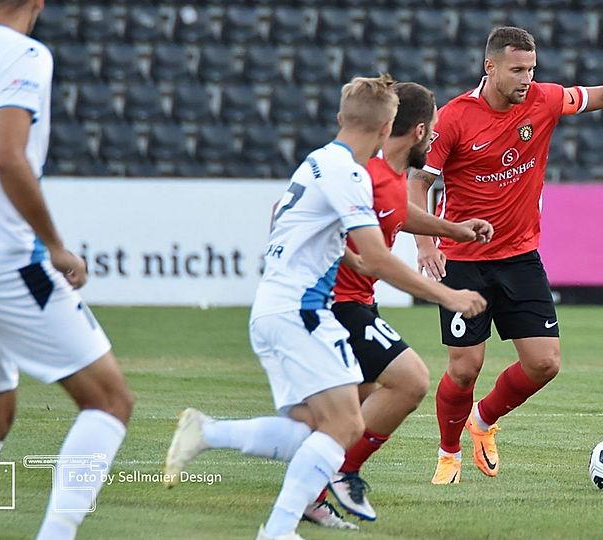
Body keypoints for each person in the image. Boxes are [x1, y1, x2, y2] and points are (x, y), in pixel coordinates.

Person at [164, 74, 486, 540]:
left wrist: (348, 251)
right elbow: (377, 256)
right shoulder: (351, 173)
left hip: (276, 308)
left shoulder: (317, 162)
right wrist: (448, 295)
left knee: (317, 432)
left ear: (341, 117)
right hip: (308, 311)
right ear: (389, 126)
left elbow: (292, 217)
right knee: (351, 422)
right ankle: (278, 528)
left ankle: (208, 434)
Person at [408, 26, 603, 484]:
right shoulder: (454, 118)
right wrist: (425, 242)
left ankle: (483, 421)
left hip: (520, 256)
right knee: (464, 368)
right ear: (489, 66)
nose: (526, 79)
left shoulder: (544, 99)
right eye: (517, 69)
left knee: (544, 363)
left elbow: (601, 97)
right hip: (464, 258)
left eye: (532, 69)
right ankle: (448, 454)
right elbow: (418, 183)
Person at [0, 1, 134, 539]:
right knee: (109, 400)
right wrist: (55, 245)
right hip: (3, 258)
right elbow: (7, 156)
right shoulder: (26, 54)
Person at [304, 82, 494, 527]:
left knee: (350, 409)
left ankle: (305, 490)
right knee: (410, 381)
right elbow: (377, 257)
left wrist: (455, 230)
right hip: (336, 303)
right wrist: (447, 295)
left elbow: (398, 215)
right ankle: (342, 472)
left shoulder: (384, 177)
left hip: (355, 302)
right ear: (420, 130)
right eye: (433, 134)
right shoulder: (363, 175)